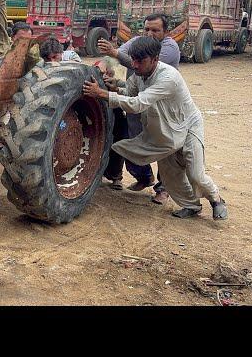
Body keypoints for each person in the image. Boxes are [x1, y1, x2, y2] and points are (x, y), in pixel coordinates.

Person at [82, 36, 228, 220]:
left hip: (188, 126)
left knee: (196, 173)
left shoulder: (168, 77)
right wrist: (116, 87)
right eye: (133, 60)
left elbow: (138, 103)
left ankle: (216, 200)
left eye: (139, 61)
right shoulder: (139, 75)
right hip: (164, 130)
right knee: (170, 174)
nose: (134, 65)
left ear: (155, 59)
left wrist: (102, 93)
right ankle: (191, 206)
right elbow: (130, 92)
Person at [98, 13, 179, 205]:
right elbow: (114, 56)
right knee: (133, 141)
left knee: (163, 147)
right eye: (147, 29)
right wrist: (104, 66)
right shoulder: (137, 41)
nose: (150, 34)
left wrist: (116, 54)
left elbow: (136, 60)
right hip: (134, 98)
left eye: (155, 30)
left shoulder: (169, 48)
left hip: (158, 105)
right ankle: (144, 177)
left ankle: (163, 189)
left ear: (166, 32)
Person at [93, 57, 126, 190]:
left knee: (118, 142)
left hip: (116, 112)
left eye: (109, 74)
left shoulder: (120, 79)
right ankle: (98, 174)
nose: (105, 76)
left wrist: (114, 89)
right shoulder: (96, 74)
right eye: (104, 73)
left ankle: (116, 177)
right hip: (100, 113)